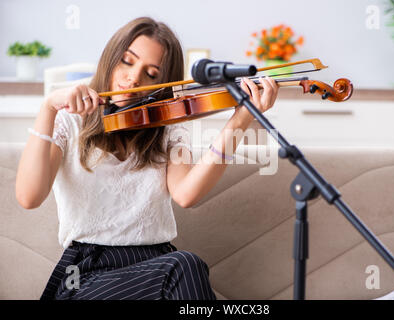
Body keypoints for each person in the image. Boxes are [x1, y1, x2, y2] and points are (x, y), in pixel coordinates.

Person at [15, 17, 278, 300]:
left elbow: (187, 195)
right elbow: (29, 197)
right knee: (184, 266)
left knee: (184, 266)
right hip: (84, 273)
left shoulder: (167, 129)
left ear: (163, 84)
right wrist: (48, 108)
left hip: (155, 264)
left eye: (151, 73)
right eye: (127, 61)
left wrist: (239, 120)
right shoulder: (69, 119)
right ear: (111, 57)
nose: (133, 78)